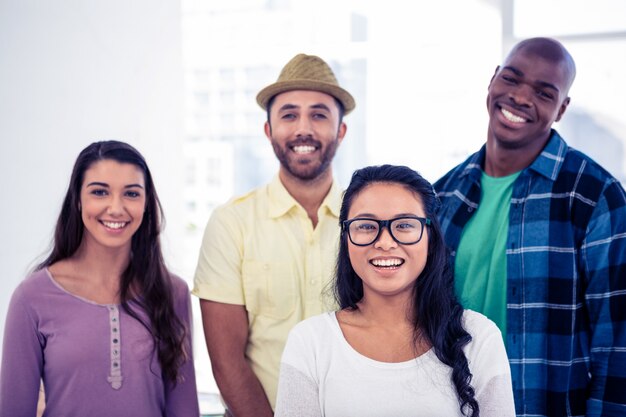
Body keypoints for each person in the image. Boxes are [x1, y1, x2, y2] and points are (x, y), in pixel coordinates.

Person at [434, 37, 626, 416]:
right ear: (493, 81)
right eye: (512, 79)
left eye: (543, 92)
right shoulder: (443, 195)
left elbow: (617, 342)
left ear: (561, 109)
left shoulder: (594, 196)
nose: (521, 97)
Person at [274, 165, 515, 417]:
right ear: (346, 238)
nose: (385, 243)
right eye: (366, 226)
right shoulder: (310, 342)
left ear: (430, 237)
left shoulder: (479, 338)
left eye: (404, 225)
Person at [192, 53, 355, 415]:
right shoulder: (231, 224)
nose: (303, 129)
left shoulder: (367, 223)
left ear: (341, 131)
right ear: (268, 131)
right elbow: (228, 364)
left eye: (319, 114)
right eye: (288, 115)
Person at [0, 141, 199, 417]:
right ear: (78, 199)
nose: (116, 208)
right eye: (99, 192)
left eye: (131, 193)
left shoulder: (172, 292)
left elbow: (184, 410)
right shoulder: (31, 298)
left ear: (146, 204)